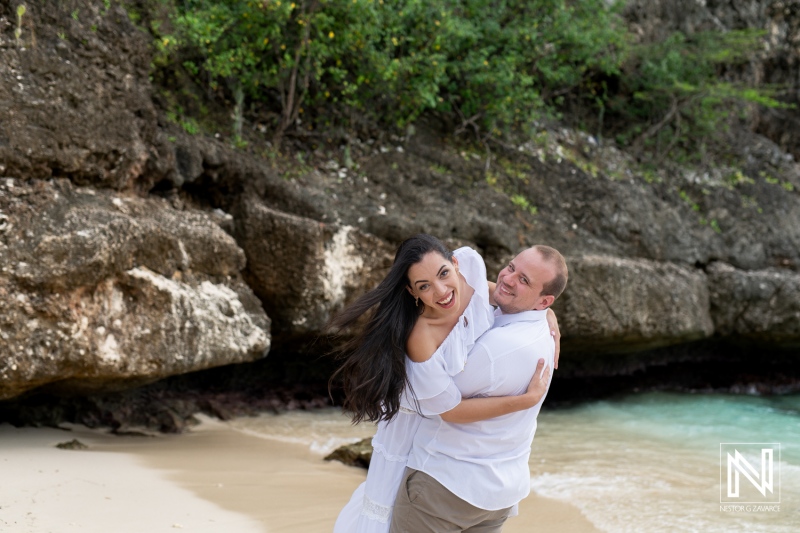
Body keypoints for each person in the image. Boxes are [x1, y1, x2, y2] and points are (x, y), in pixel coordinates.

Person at [329, 234, 559, 532]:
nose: (441, 291)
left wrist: (544, 312)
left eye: (444, 274)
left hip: (439, 435)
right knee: (384, 514)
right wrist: (525, 401)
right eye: (424, 286)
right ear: (412, 292)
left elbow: (493, 293)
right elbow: (449, 410)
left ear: (455, 264)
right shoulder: (421, 339)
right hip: (412, 430)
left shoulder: (471, 268)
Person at [390, 245, 568, 532]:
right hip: (499, 493)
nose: (508, 279)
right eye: (511, 268)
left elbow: (446, 409)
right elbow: (472, 291)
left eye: (524, 281)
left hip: (445, 486)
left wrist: (526, 400)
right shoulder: (535, 330)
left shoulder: (495, 347)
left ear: (544, 300)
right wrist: (547, 313)